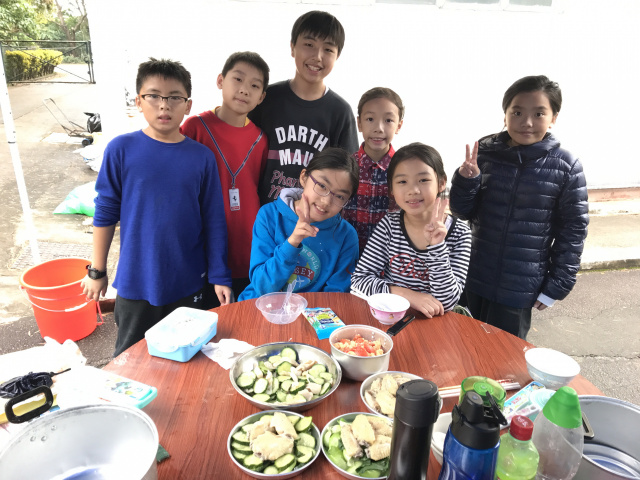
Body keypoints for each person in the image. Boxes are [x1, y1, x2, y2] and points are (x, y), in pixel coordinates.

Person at [82, 58, 232, 357]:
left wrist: (219, 275)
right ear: (139, 101)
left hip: (188, 281)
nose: (164, 105)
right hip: (136, 281)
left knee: (188, 357)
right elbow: (106, 211)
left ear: (188, 105)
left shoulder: (201, 157)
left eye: (174, 97)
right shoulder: (121, 149)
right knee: (131, 359)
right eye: (154, 96)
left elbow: (214, 219)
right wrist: (97, 271)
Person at [449, 75, 589, 339]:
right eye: (517, 112)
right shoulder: (485, 153)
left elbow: (573, 231)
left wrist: (557, 285)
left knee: (504, 355)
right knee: (461, 345)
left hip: (518, 288)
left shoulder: (566, 166)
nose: (527, 122)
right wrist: (467, 181)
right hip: (473, 276)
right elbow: (462, 212)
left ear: (553, 118)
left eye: (539, 113)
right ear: (505, 115)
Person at [181, 51, 269, 300]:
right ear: (220, 80)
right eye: (238, 79)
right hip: (205, 242)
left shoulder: (261, 139)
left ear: (261, 97)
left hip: (248, 243)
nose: (244, 90)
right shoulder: (195, 127)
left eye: (254, 86)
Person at [248, 10, 358, 205]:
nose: (317, 56)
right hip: (265, 215)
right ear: (292, 47)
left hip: (315, 217)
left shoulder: (340, 112)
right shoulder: (265, 98)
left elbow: (347, 176)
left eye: (328, 49)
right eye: (309, 45)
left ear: (337, 56)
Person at [351, 143, 471, 318]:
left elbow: (446, 302)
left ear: (441, 183)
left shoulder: (460, 233)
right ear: (392, 189)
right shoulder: (389, 225)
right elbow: (359, 281)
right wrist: (406, 295)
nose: (413, 190)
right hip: (392, 316)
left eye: (423, 180)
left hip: (435, 323)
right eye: (402, 182)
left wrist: (437, 247)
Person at [239, 148, 359, 301]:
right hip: (261, 306)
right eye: (322, 186)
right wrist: (292, 242)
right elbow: (262, 287)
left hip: (313, 312)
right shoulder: (269, 216)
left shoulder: (346, 236)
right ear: (304, 177)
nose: (326, 201)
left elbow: (336, 297)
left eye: (340, 196)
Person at [342, 87, 404, 255]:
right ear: (359, 123)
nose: (379, 128)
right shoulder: (344, 167)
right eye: (370, 119)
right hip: (347, 257)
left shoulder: (405, 169)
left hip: (391, 259)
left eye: (388, 120)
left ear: (399, 125)